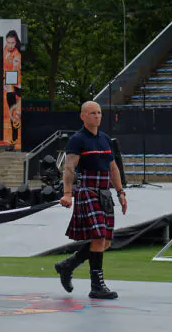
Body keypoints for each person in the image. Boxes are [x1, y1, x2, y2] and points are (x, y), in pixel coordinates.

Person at [54, 101, 127, 300]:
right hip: (87, 190)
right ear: (83, 116)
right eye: (93, 113)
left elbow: (113, 168)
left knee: (106, 241)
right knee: (99, 238)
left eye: (99, 113)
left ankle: (67, 266)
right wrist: (67, 193)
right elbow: (69, 168)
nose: (97, 116)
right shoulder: (77, 140)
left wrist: (121, 192)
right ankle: (97, 285)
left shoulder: (105, 139)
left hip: (105, 192)